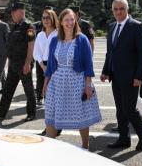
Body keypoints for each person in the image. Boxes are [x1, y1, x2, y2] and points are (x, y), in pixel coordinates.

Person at [43, 9, 101, 149]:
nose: (70, 22)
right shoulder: (55, 40)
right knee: (51, 112)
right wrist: (46, 84)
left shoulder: (81, 39)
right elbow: (51, 65)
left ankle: (85, 146)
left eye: (72, 19)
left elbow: (88, 64)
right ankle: (50, 146)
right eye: (66, 20)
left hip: (76, 81)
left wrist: (88, 86)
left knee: (80, 115)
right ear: (61, 22)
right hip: (57, 82)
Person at [101, 0, 142, 150]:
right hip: (116, 75)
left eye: (121, 9)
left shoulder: (136, 26)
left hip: (131, 77)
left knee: (129, 109)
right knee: (120, 109)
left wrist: (139, 77)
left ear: (127, 9)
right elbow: (110, 52)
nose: (118, 12)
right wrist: (105, 71)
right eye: (115, 9)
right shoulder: (112, 26)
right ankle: (124, 138)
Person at [0, 2, 36, 122]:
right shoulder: (15, 26)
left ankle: (31, 113)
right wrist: (9, 63)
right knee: (8, 88)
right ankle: (2, 111)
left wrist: (28, 63)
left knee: (28, 89)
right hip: (13, 63)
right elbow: (11, 46)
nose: (12, 14)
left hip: (24, 63)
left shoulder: (28, 26)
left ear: (21, 12)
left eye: (14, 12)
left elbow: (31, 45)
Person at [33, 8, 58, 105]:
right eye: (43, 18)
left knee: (52, 85)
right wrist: (43, 66)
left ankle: (51, 103)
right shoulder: (40, 35)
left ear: (53, 19)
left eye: (48, 18)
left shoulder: (58, 33)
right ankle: (39, 97)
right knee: (40, 81)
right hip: (41, 63)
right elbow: (36, 52)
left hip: (55, 64)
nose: (46, 20)